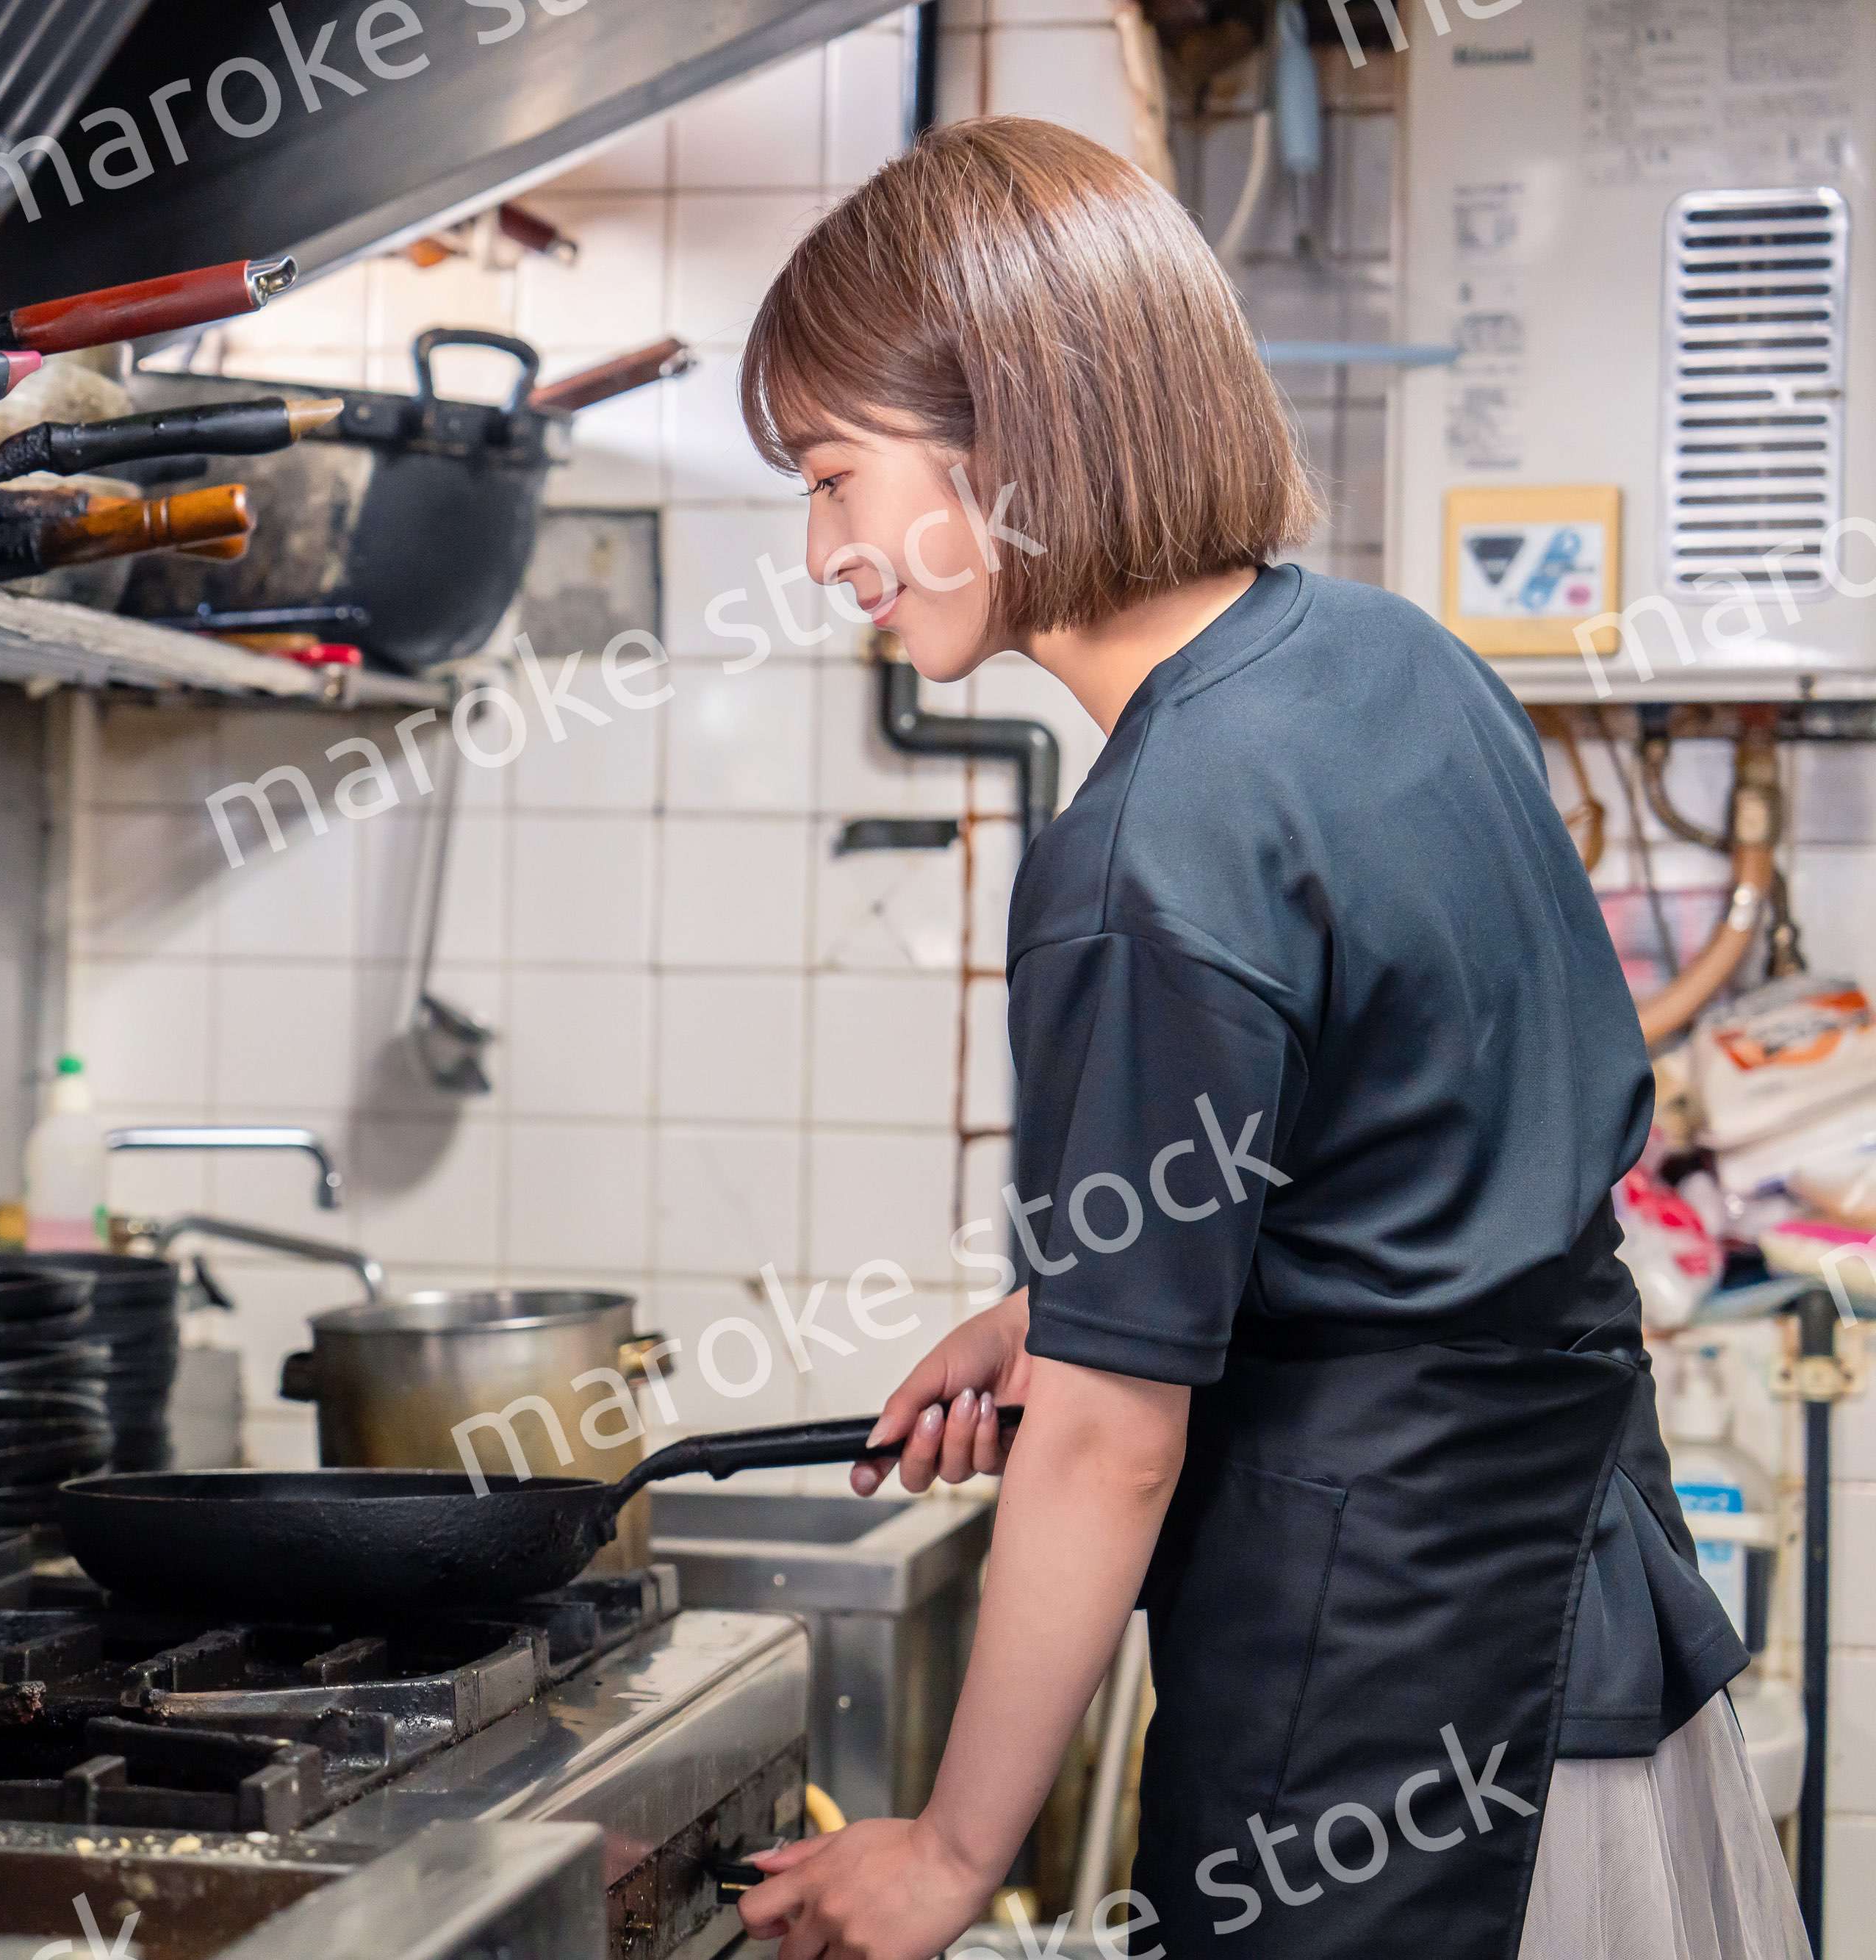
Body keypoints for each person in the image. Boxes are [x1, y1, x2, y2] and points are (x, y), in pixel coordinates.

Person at [729, 117, 1807, 1960]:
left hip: (1375, 1735)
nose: (820, 549)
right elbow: (1402, 1160)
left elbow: (1102, 1452)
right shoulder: (1395, 661)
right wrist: (1059, 1309)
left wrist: (948, 1849)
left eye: (833, 475)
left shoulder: (1142, 845)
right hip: (1590, 1655)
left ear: (1008, 429)